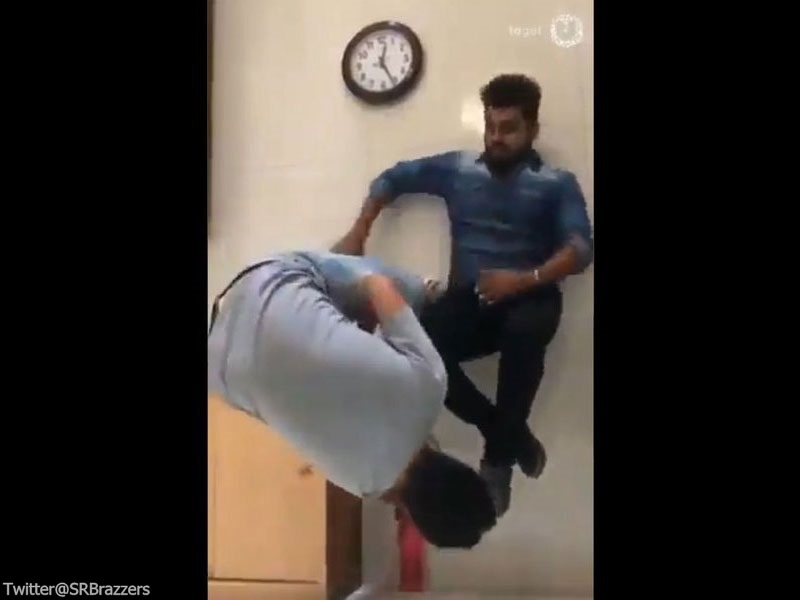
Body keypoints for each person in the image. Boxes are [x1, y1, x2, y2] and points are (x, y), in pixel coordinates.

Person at [333, 73, 594, 516]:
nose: (496, 138)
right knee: (417, 345)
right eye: (490, 127)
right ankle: (508, 435)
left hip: (531, 296)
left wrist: (522, 279)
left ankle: (497, 463)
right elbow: (391, 178)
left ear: (532, 129)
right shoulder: (458, 169)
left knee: (526, 329)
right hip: (471, 299)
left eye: (508, 128)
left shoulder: (556, 183)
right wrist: (359, 232)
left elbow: (581, 249)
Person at [207, 249, 497, 549]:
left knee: (405, 290)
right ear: (417, 516)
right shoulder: (360, 484)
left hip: (264, 285)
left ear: (460, 468)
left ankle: (426, 288)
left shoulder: (431, 384)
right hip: (220, 362)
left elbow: (378, 285)